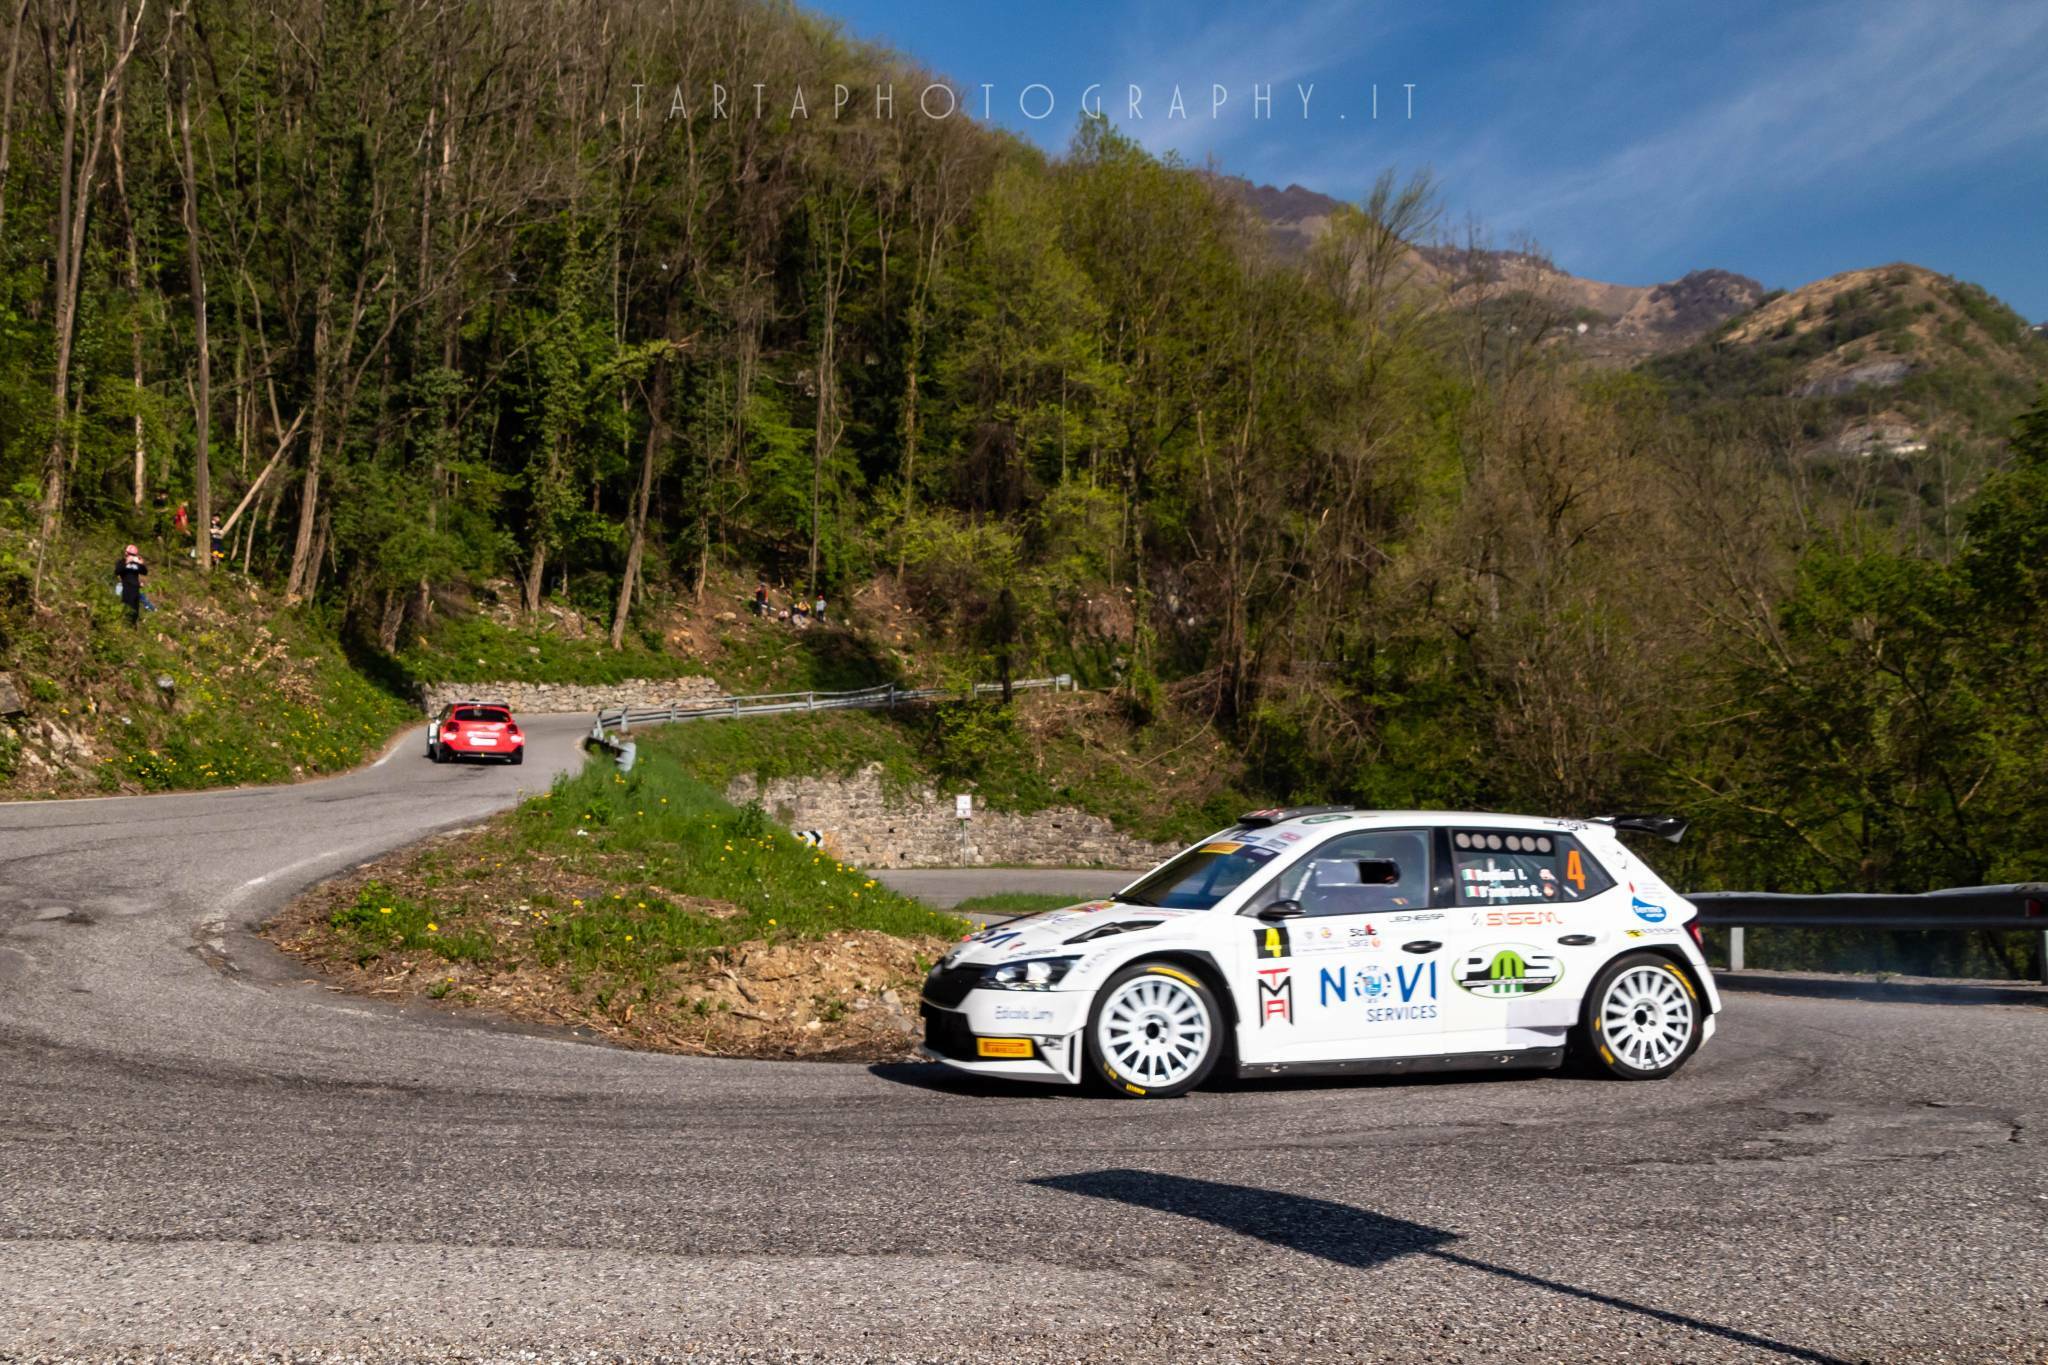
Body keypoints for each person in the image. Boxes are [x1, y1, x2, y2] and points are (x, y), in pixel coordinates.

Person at [115, 545, 148, 626]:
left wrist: (142, 564)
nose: (132, 557)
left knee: (135, 609)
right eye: (130, 554)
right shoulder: (122, 562)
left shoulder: (136, 563)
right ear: (126, 553)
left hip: (136, 588)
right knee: (128, 607)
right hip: (127, 588)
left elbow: (145, 572)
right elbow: (117, 571)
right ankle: (125, 625)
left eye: (133, 555)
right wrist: (127, 562)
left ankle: (133, 626)